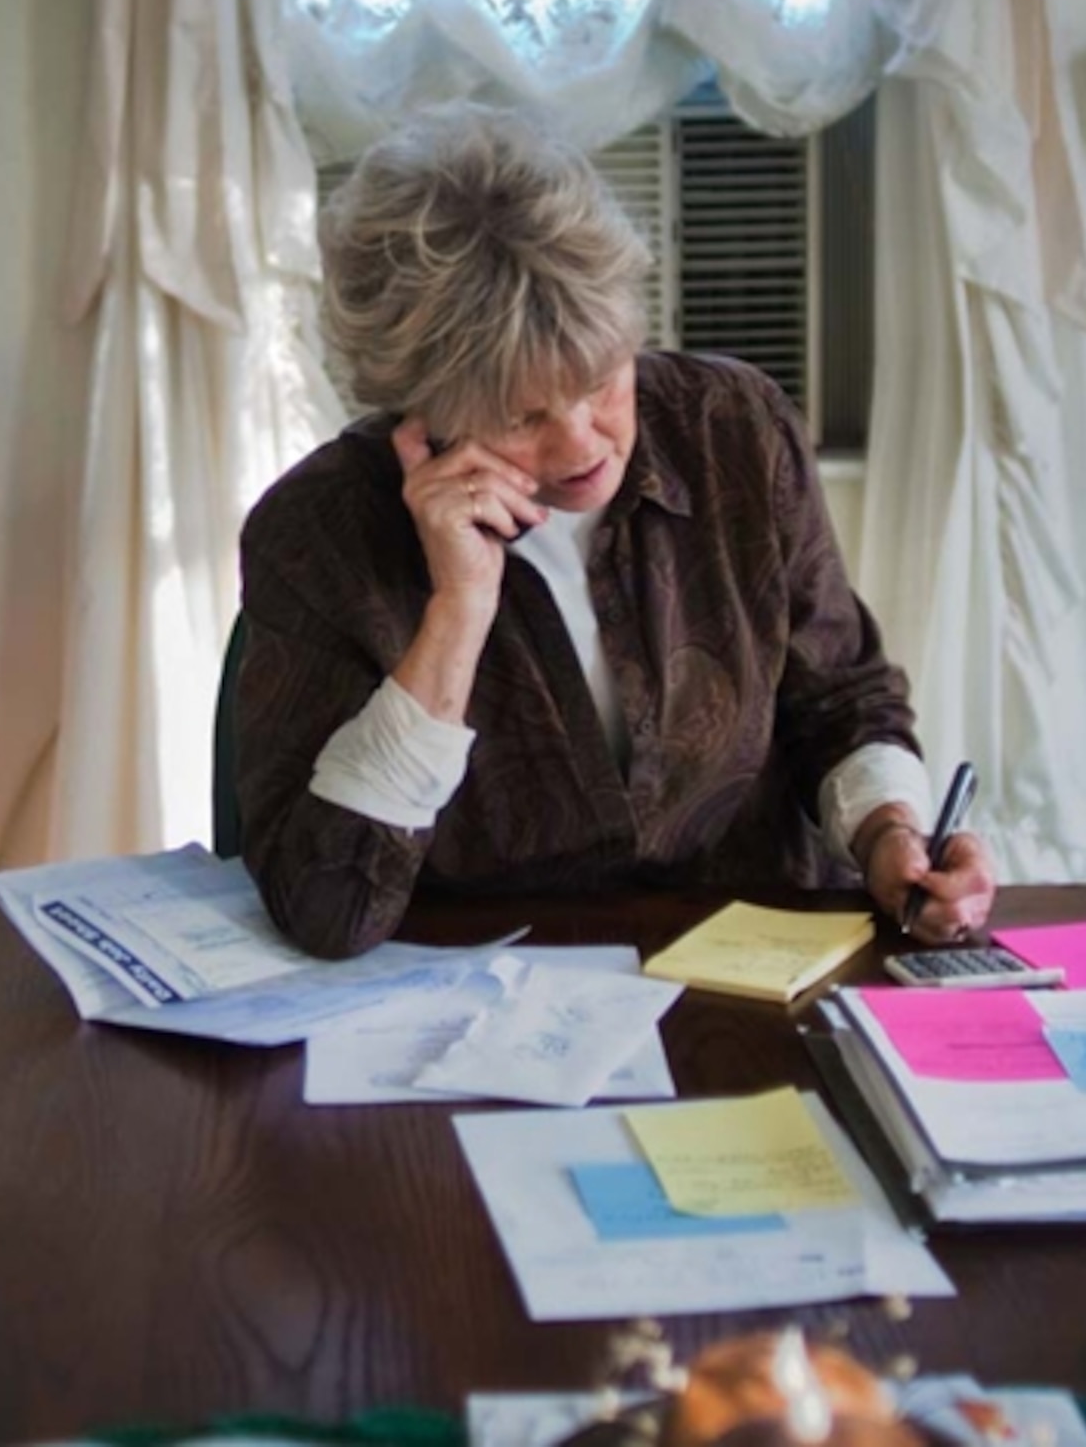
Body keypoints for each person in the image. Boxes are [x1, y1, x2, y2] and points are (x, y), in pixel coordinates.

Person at [234, 102, 996, 961]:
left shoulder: (732, 429)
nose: (584, 443)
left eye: (600, 380)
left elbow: (840, 701)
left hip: (754, 977)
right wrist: (457, 609)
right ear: (421, 411)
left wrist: (891, 829)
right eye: (521, 416)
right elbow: (327, 909)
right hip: (480, 1004)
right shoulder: (318, 533)